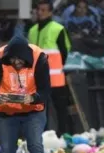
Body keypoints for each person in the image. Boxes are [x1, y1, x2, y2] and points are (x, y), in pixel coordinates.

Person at [27, 0, 73, 137]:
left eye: (43, 10)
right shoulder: (32, 30)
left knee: (61, 109)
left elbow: (66, 51)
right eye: (38, 10)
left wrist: (64, 69)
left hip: (56, 78)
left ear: (50, 12)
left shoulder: (58, 29)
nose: (40, 13)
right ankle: (44, 135)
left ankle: (63, 134)